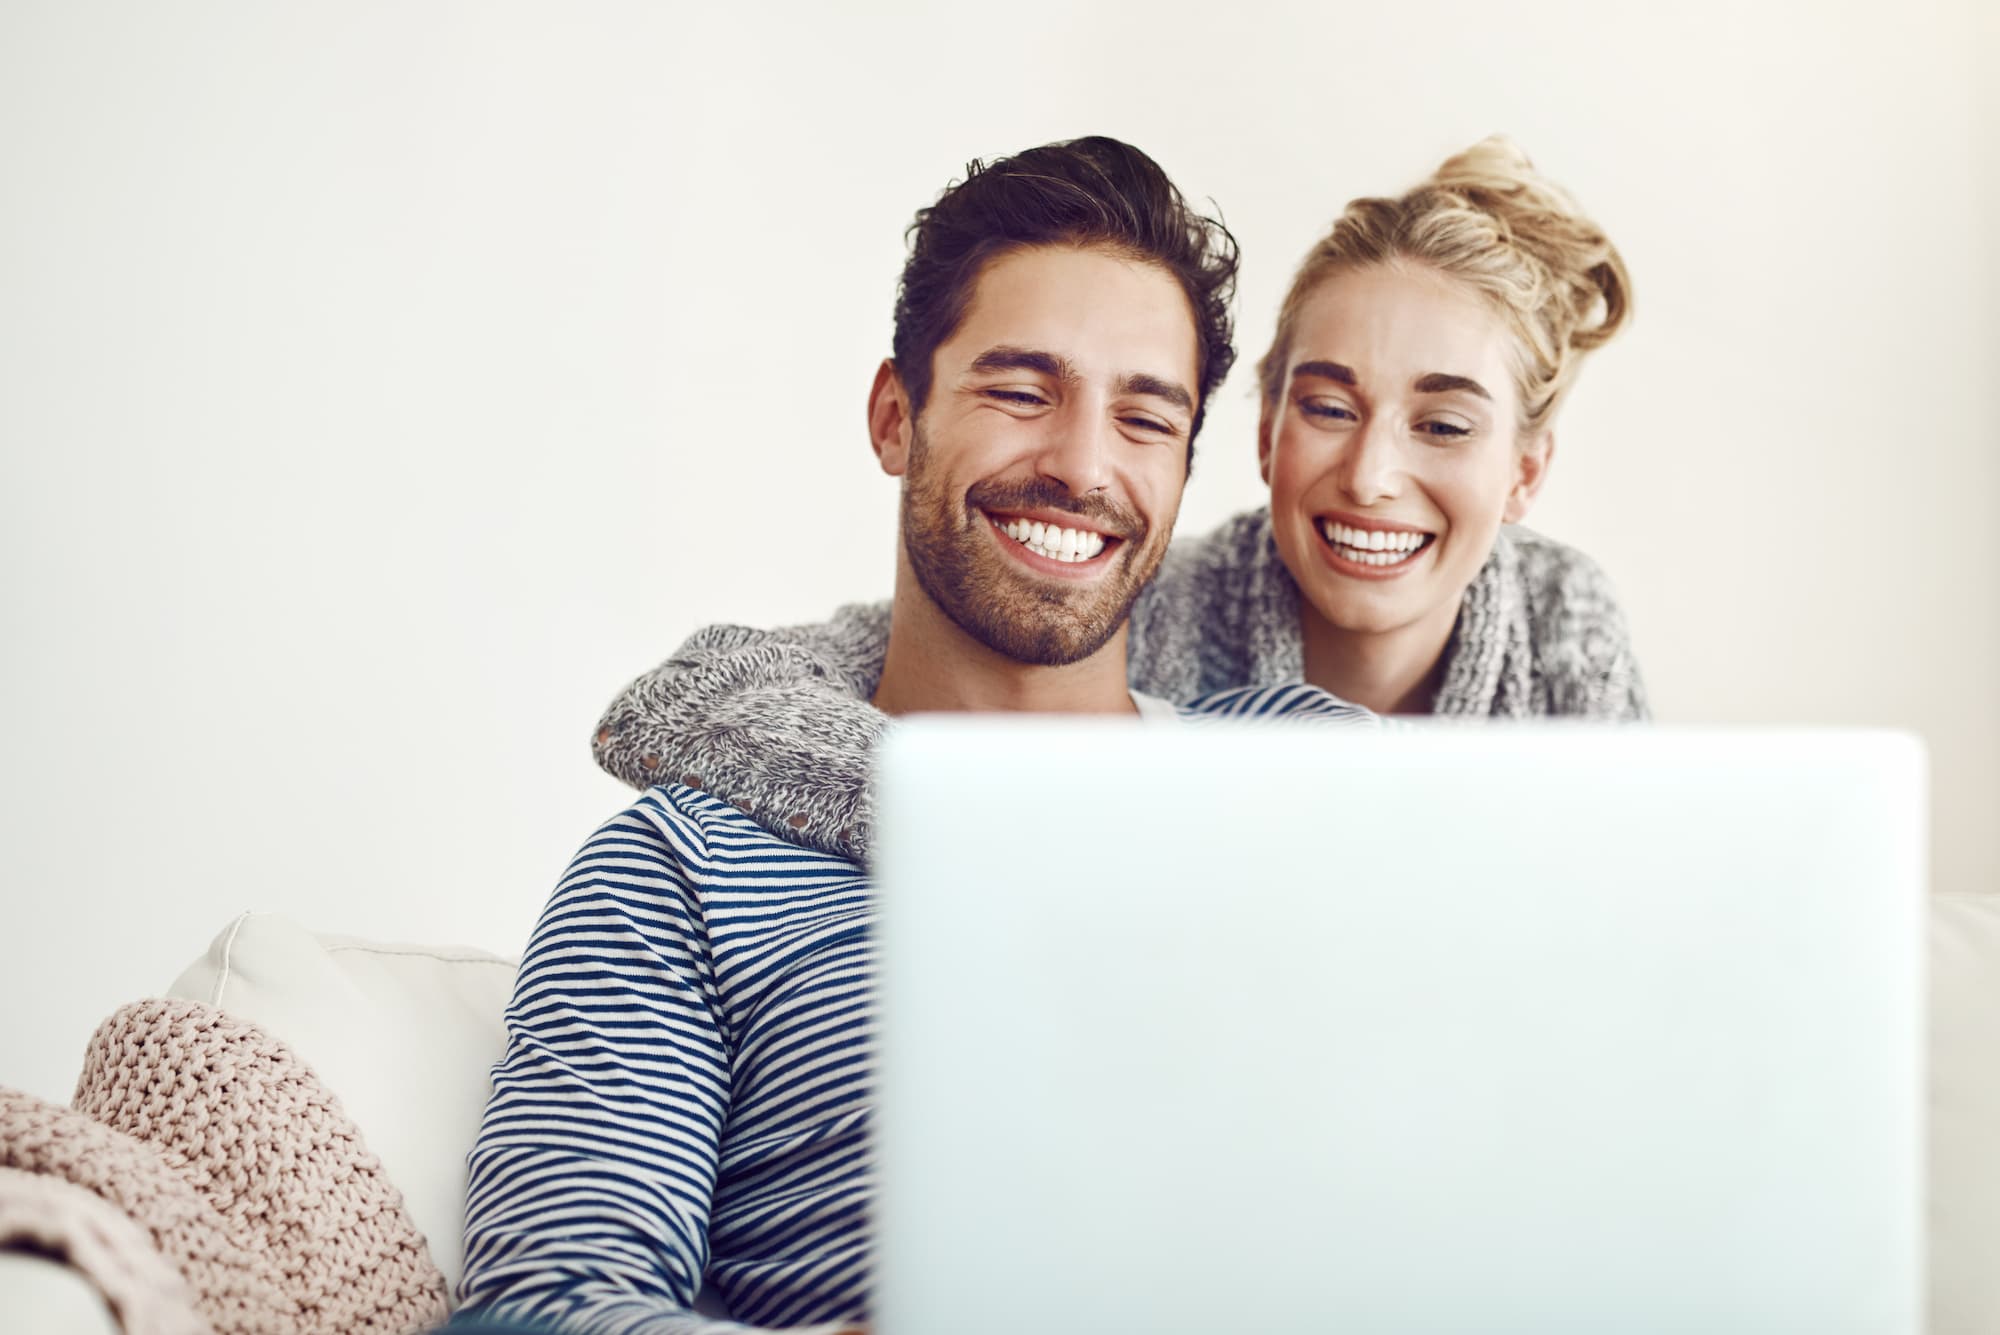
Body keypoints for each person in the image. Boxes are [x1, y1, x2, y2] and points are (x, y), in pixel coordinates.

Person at [453, 135, 1369, 1335]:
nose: (1081, 465)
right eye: (1019, 390)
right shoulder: (682, 872)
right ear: (896, 419)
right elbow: (541, 1309)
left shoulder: (1313, 776)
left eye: (1145, 420)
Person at [592, 137, 1645, 866]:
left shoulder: (1561, 630)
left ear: (1523, 475)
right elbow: (696, 701)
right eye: (1328, 407)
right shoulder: (1144, 613)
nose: (1370, 475)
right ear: (1263, 431)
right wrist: (1010, 824)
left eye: (1444, 425)